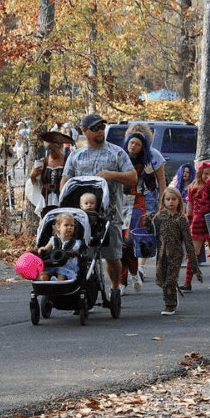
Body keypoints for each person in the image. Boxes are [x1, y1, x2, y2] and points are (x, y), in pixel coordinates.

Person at [60, 112, 136, 305]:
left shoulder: (116, 152)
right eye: (95, 128)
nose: (100, 131)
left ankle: (114, 288)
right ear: (84, 131)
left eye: (102, 127)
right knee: (82, 255)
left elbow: (133, 177)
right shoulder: (76, 156)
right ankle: (81, 289)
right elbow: (65, 182)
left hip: (110, 214)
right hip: (82, 216)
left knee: (112, 256)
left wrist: (111, 175)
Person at [143, 186, 202, 314]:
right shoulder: (159, 217)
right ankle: (172, 293)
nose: (171, 202)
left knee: (170, 280)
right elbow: (152, 233)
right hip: (161, 253)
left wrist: (194, 264)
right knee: (162, 280)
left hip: (175, 254)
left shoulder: (181, 219)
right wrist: (147, 221)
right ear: (163, 201)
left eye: (173, 199)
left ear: (179, 201)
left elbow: (188, 241)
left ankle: (170, 305)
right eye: (168, 199)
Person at [122, 125, 166, 292]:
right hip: (125, 199)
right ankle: (129, 272)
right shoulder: (123, 155)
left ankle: (139, 267)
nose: (135, 143)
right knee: (126, 237)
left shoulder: (154, 155)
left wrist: (162, 200)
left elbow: (161, 181)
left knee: (142, 232)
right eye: (133, 138)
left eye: (140, 139)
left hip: (147, 197)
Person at [182, 160, 210, 291]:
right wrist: (188, 220)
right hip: (198, 221)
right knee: (193, 252)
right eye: (206, 174)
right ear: (200, 173)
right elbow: (190, 206)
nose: (208, 176)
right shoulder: (193, 186)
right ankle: (188, 282)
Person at [26, 129, 73, 218]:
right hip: (46, 198)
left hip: (62, 198)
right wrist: (33, 176)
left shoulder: (67, 161)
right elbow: (36, 184)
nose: (51, 151)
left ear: (60, 147)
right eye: (49, 148)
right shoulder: (43, 162)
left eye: (53, 148)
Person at [37, 213, 80, 281]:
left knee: (61, 274)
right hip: (54, 264)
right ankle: (45, 285)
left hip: (67, 265)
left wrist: (75, 253)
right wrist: (42, 249)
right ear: (58, 227)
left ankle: (57, 283)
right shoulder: (53, 240)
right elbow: (46, 248)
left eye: (72, 225)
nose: (69, 227)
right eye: (66, 225)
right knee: (43, 274)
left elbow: (78, 254)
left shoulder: (76, 243)